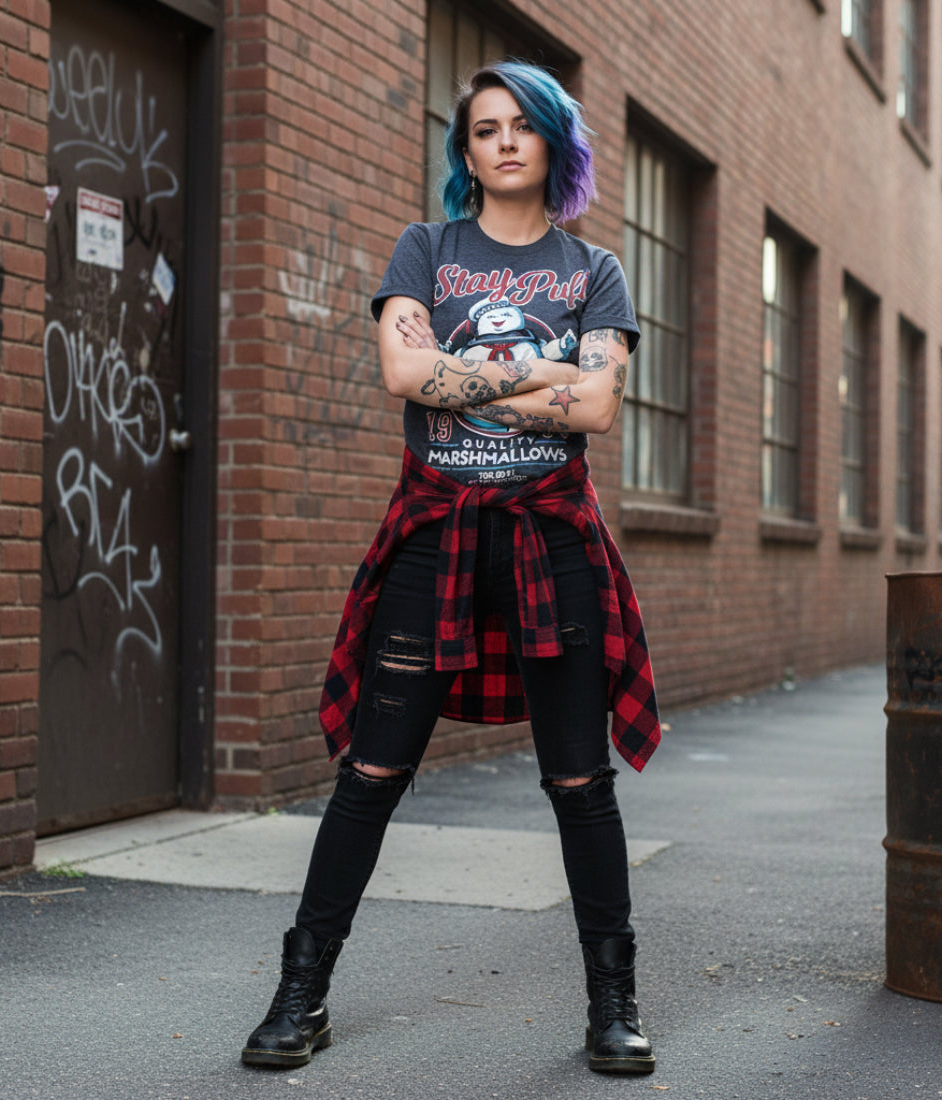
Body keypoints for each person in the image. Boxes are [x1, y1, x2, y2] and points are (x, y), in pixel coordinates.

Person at [241, 59, 662, 1076]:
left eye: (523, 126)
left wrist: (471, 381)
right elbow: (401, 369)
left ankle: (613, 1003)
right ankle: (299, 994)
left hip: (549, 538)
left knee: (577, 779)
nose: (504, 141)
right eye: (483, 129)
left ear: (555, 145)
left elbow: (599, 408)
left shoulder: (592, 270)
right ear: (463, 150)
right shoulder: (423, 248)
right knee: (372, 772)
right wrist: (548, 370)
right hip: (434, 534)